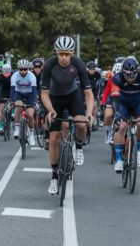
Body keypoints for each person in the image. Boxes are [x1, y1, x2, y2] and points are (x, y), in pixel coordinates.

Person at [41, 36, 94, 195]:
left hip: (73, 96)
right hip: (54, 99)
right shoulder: (49, 65)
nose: (64, 57)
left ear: (72, 53)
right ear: (56, 52)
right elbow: (44, 94)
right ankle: (54, 177)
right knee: (54, 138)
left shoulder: (78, 64)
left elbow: (89, 94)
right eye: (61, 54)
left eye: (67, 54)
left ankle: (78, 145)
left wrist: (89, 113)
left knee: (81, 123)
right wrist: (50, 110)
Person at [112, 58, 140, 172]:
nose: (129, 79)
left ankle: (138, 150)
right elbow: (115, 99)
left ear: (137, 72)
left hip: (137, 104)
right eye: (127, 76)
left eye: (132, 76)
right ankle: (119, 160)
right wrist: (118, 115)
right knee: (122, 127)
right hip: (123, 105)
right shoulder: (117, 78)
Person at [11, 59, 38, 146]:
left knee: (30, 114)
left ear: (28, 69)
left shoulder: (32, 76)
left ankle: (31, 134)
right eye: (21, 69)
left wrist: (34, 102)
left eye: (25, 69)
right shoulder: (14, 76)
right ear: (18, 69)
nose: (23, 71)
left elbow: (34, 91)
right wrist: (12, 101)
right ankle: (17, 128)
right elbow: (12, 90)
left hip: (30, 94)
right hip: (19, 94)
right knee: (18, 107)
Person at [0, 64, 13, 134]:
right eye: (5, 73)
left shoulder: (13, 75)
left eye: (8, 73)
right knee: (1, 109)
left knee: (13, 101)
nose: (6, 75)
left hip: (11, 89)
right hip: (2, 90)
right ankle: (0, 126)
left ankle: (12, 113)